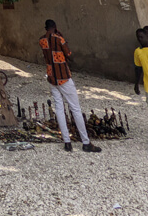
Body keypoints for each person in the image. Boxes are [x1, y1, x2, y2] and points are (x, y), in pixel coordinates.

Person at [39, 20, 101, 153]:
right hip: (63, 77)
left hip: (51, 77)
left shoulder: (42, 40)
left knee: (59, 109)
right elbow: (70, 56)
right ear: (55, 27)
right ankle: (86, 142)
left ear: (46, 28)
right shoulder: (59, 39)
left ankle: (67, 142)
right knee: (75, 109)